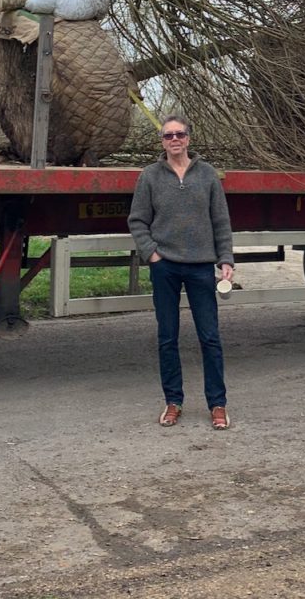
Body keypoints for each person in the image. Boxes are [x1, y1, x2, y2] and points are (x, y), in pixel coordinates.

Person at [128, 114, 235, 430]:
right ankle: (173, 401)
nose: (174, 140)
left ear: (189, 138)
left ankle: (217, 404)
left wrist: (225, 259)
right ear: (161, 141)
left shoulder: (208, 176)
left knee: (210, 337)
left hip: (202, 267)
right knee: (167, 337)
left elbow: (221, 222)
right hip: (166, 268)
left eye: (179, 134)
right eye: (168, 136)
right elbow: (137, 220)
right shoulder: (149, 176)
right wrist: (153, 255)